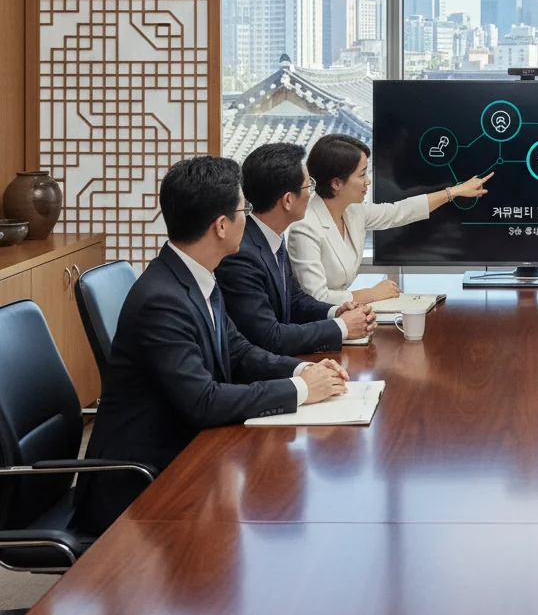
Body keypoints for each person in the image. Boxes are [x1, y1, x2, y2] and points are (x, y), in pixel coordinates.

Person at [76, 156, 348, 533]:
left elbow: (238, 350)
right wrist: (301, 390)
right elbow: (203, 402)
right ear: (221, 226)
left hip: (186, 454)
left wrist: (302, 370)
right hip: (142, 485)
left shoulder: (195, 274)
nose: (247, 218)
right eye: (243, 209)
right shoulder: (163, 299)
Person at [288, 133, 493, 306]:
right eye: (361, 175)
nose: (368, 181)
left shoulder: (353, 211)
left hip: (348, 318)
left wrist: (454, 191)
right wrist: (372, 294)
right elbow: (315, 298)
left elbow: (400, 211)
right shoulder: (305, 228)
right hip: (320, 328)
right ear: (336, 184)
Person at [217, 143, 376, 353]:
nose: (312, 193)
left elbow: (296, 301)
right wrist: (342, 327)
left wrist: (337, 312)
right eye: (307, 186)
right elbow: (269, 337)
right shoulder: (241, 255)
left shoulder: (272, 237)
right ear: (288, 200)